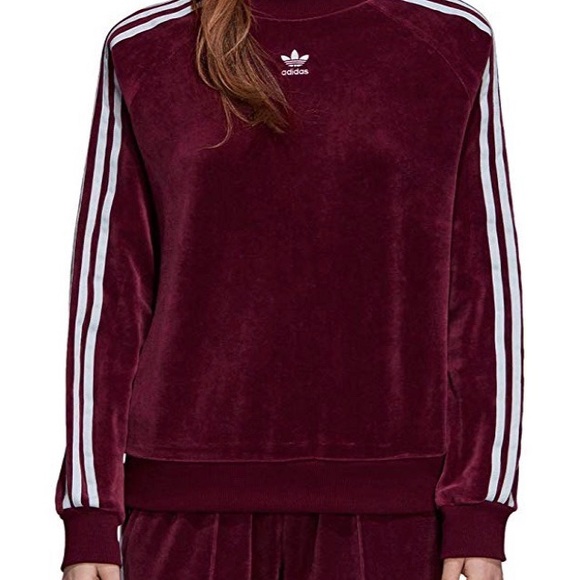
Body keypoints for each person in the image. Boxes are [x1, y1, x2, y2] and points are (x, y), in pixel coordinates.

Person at [54, 0, 525, 578]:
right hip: (183, 513)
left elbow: (482, 286)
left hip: (393, 518)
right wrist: (90, 512)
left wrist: (480, 506)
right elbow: (109, 292)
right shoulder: (145, 47)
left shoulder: (450, 40)